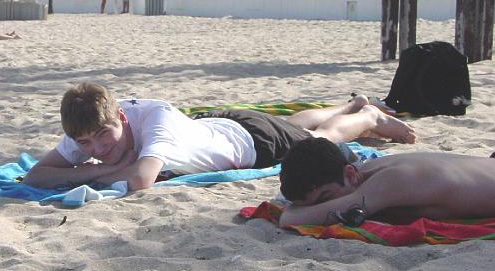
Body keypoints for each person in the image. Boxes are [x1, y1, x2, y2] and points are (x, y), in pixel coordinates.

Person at [22, 83, 416, 191]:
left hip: (249, 142)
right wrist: (95, 169)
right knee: (294, 123)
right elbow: (35, 176)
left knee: (320, 138)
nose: (97, 148)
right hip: (212, 123)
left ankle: (367, 115)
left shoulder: (154, 118)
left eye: (103, 136)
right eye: (85, 145)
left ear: (121, 118)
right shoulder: (89, 122)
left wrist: (89, 171)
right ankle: (350, 104)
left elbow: (140, 179)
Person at [278, 137, 495, 228]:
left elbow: (290, 219)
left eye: (325, 197)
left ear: (350, 174)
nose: (324, 206)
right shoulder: (371, 170)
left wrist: (296, 210)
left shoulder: (392, 181)